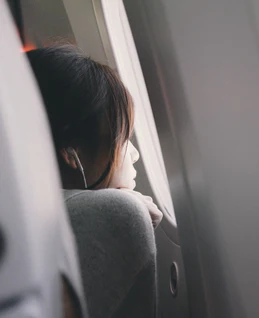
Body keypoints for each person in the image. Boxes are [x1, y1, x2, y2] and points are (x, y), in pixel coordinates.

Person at [27, 45, 163, 318]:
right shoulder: (116, 213)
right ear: (70, 152)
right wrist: (122, 207)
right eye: (122, 140)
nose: (134, 155)